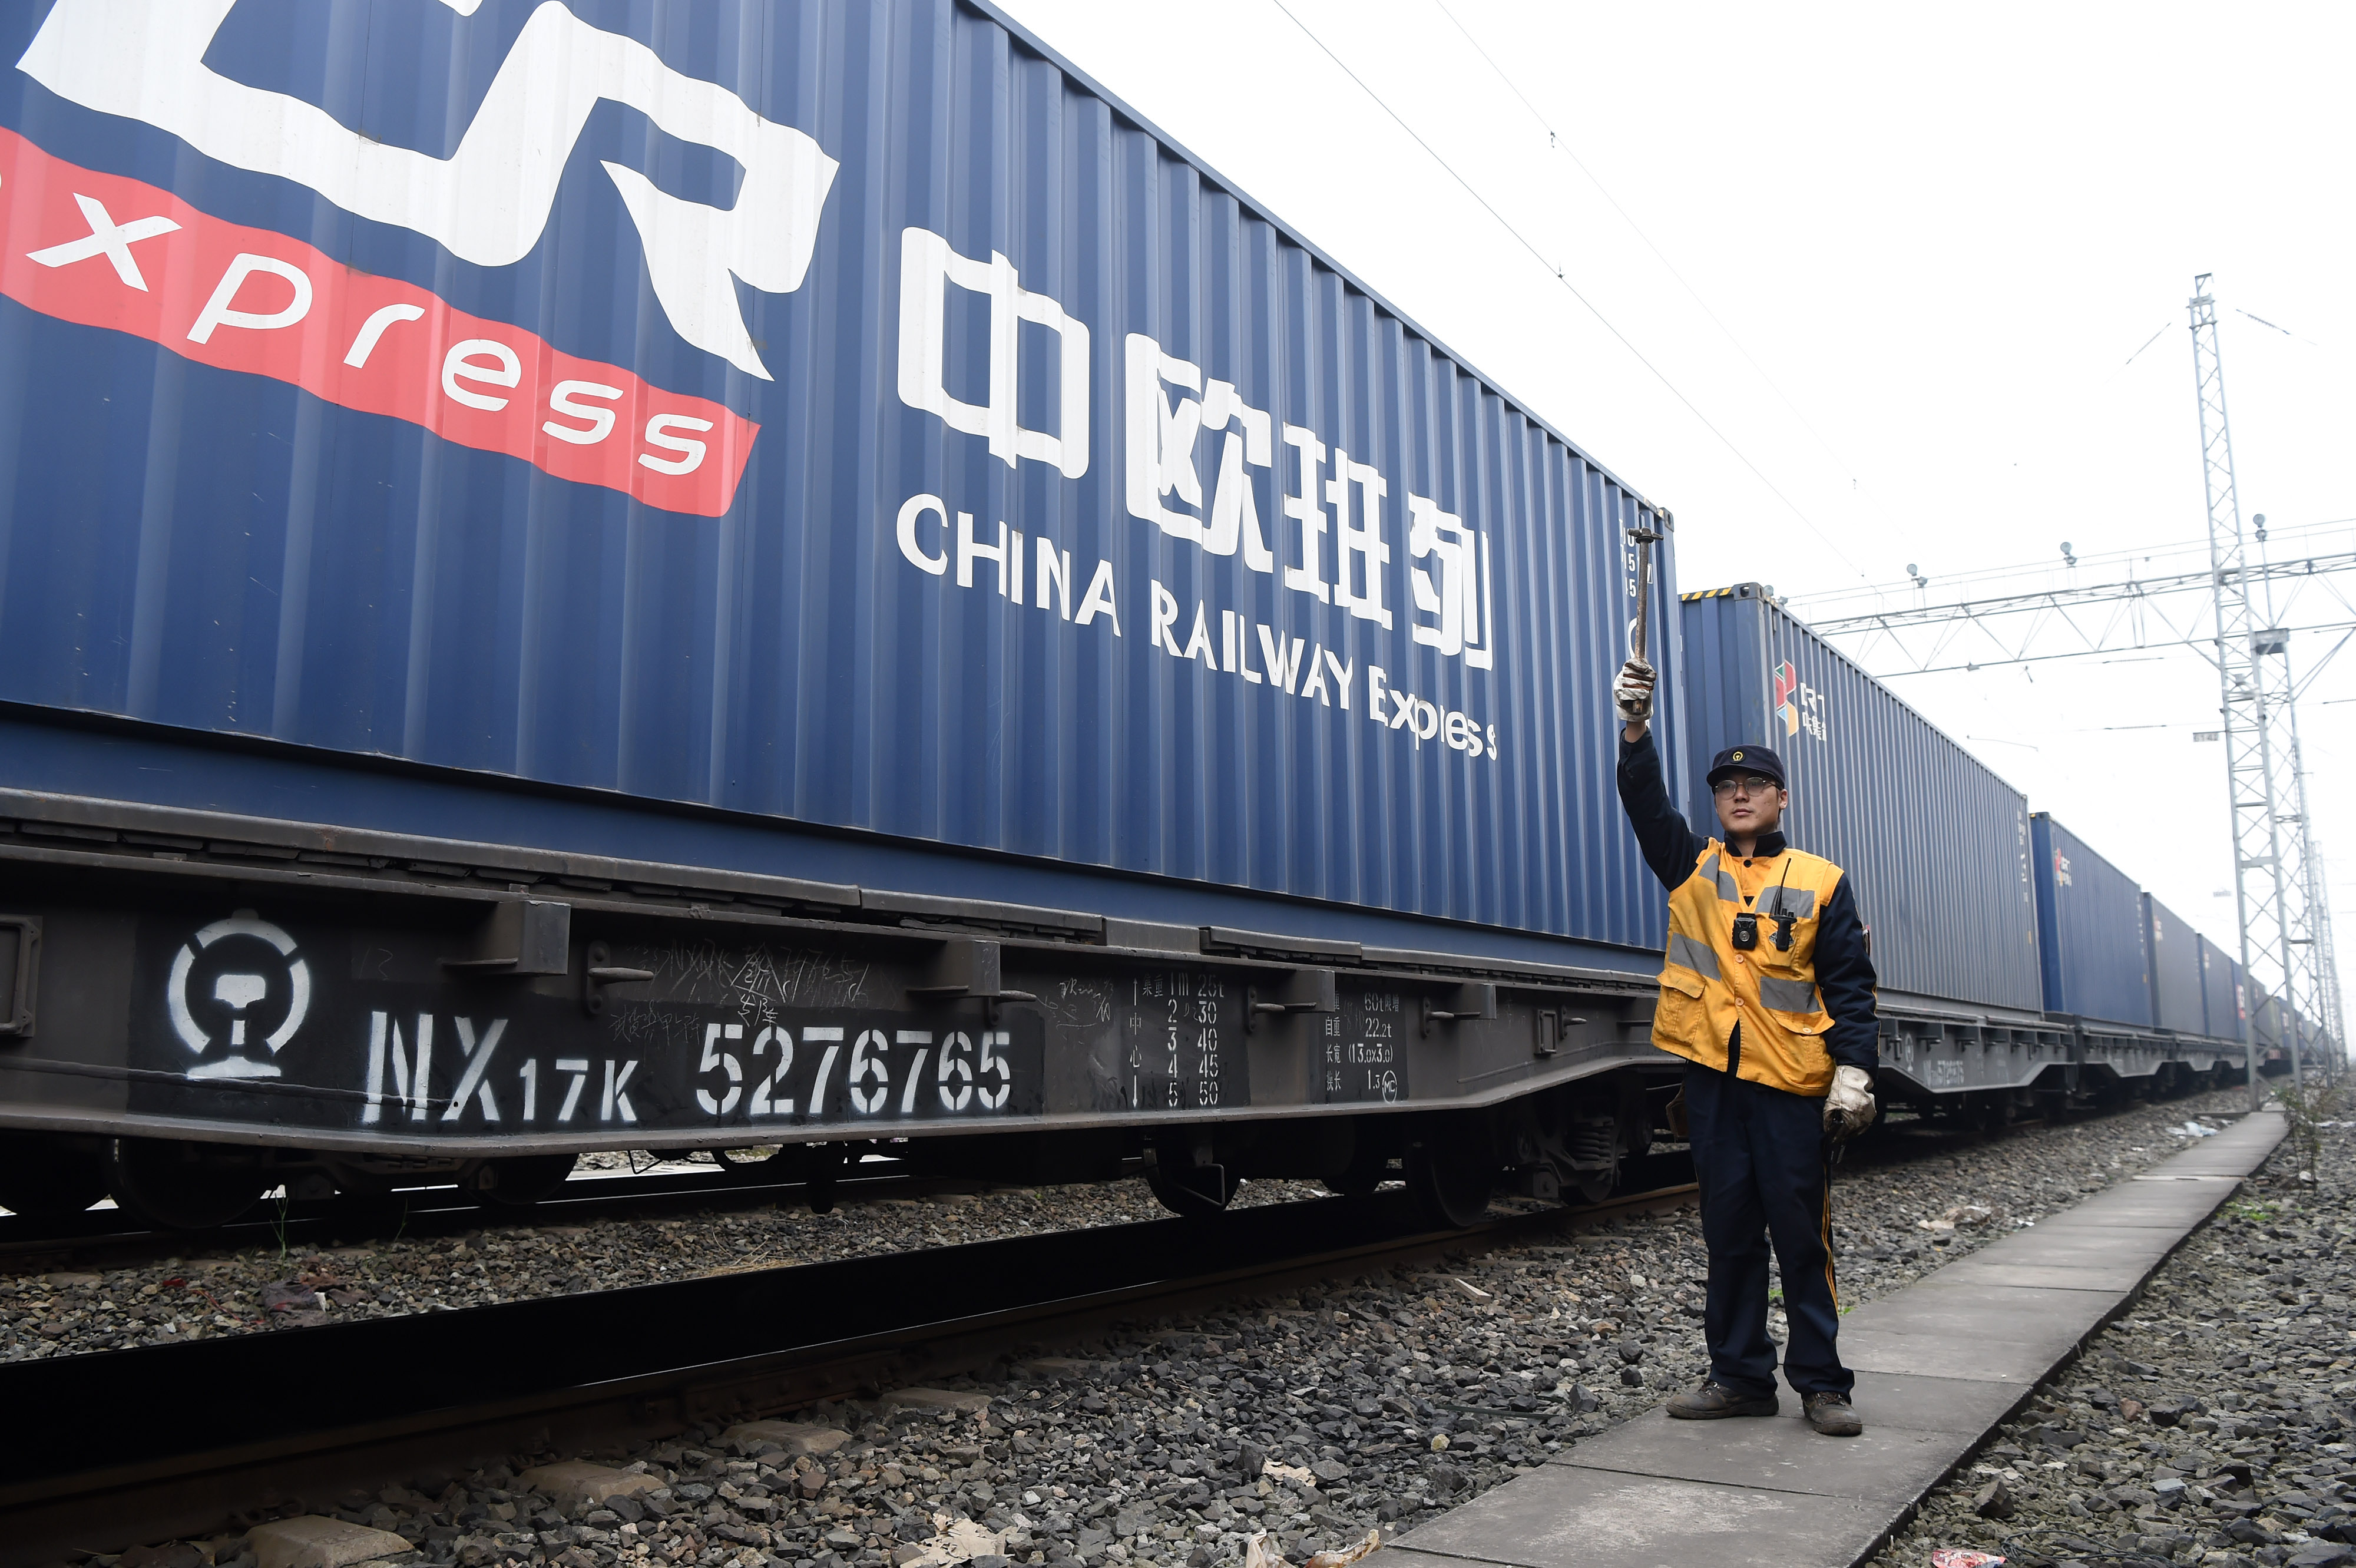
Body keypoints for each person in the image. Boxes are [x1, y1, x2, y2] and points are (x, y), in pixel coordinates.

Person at [1610, 654, 1879, 1437]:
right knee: (1728, 1235)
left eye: (1755, 784)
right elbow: (1644, 801)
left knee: (1801, 1237)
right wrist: (1635, 727)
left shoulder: (1821, 880)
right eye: (1727, 786)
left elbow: (1850, 984)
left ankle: (1822, 1384)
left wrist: (1855, 1072)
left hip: (1791, 1085)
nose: (1738, 794)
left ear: (1780, 797)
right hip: (1715, 1085)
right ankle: (1739, 1378)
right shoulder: (1691, 866)